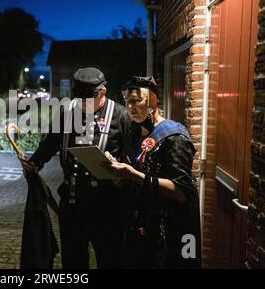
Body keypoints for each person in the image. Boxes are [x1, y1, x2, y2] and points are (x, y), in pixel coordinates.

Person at [21, 67, 131, 269]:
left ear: (103, 93)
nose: (83, 105)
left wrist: (118, 164)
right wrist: (35, 162)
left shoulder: (121, 115)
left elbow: (131, 157)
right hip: (73, 206)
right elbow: (50, 143)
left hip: (107, 208)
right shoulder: (66, 112)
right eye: (80, 100)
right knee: (73, 261)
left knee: (110, 260)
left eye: (88, 100)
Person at [106, 76, 201, 268]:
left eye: (136, 101)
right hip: (142, 225)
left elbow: (182, 192)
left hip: (172, 228)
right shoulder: (133, 133)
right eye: (127, 102)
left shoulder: (174, 136)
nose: (130, 107)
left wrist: (134, 175)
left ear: (152, 101)